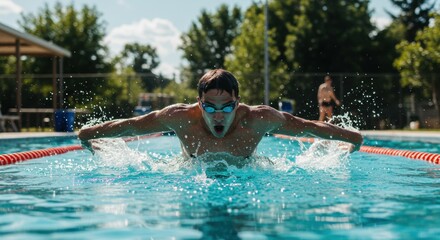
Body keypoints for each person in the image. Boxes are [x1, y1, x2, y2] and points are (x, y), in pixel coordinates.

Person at [78, 69, 362, 159]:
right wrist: (89, 134)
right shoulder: (179, 117)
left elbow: (308, 127)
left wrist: (352, 137)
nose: (218, 115)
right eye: (209, 107)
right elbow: (131, 126)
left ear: (238, 103)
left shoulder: (258, 119)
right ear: (198, 103)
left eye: (227, 107)